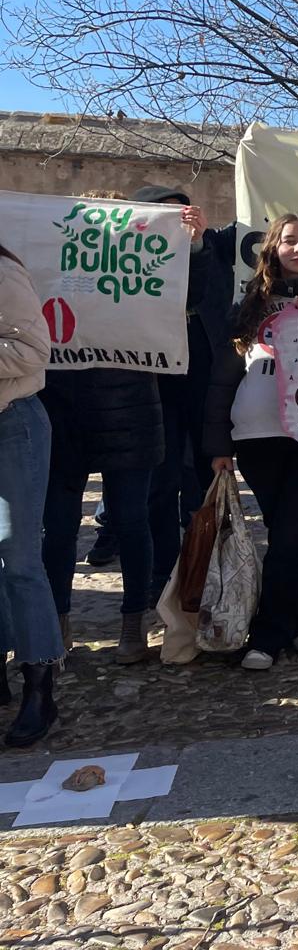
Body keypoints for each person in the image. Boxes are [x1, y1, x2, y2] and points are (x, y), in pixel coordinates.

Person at [203, 215, 298, 669]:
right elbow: (223, 380)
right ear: (273, 248)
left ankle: (269, 635)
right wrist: (218, 444)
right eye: (290, 241)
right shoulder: (248, 306)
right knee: (286, 531)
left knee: (287, 535)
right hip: (255, 438)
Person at [39, 190, 169, 664]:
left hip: (130, 415)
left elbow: (185, 302)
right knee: (58, 529)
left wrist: (189, 244)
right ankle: (56, 623)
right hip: (63, 415)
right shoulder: (51, 268)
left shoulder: (144, 275)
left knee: (133, 523)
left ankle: (133, 623)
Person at [129, 185, 220, 609]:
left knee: (204, 485)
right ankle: (163, 575)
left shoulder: (204, 252)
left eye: (180, 215)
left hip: (200, 383)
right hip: (153, 385)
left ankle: (205, 572)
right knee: (160, 487)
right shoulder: (131, 263)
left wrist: (197, 243)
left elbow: (198, 293)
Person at [0, 243, 67, 746]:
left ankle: (40, 685)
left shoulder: (3, 271)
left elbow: (31, 350)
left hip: (11, 425)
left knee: (19, 559)